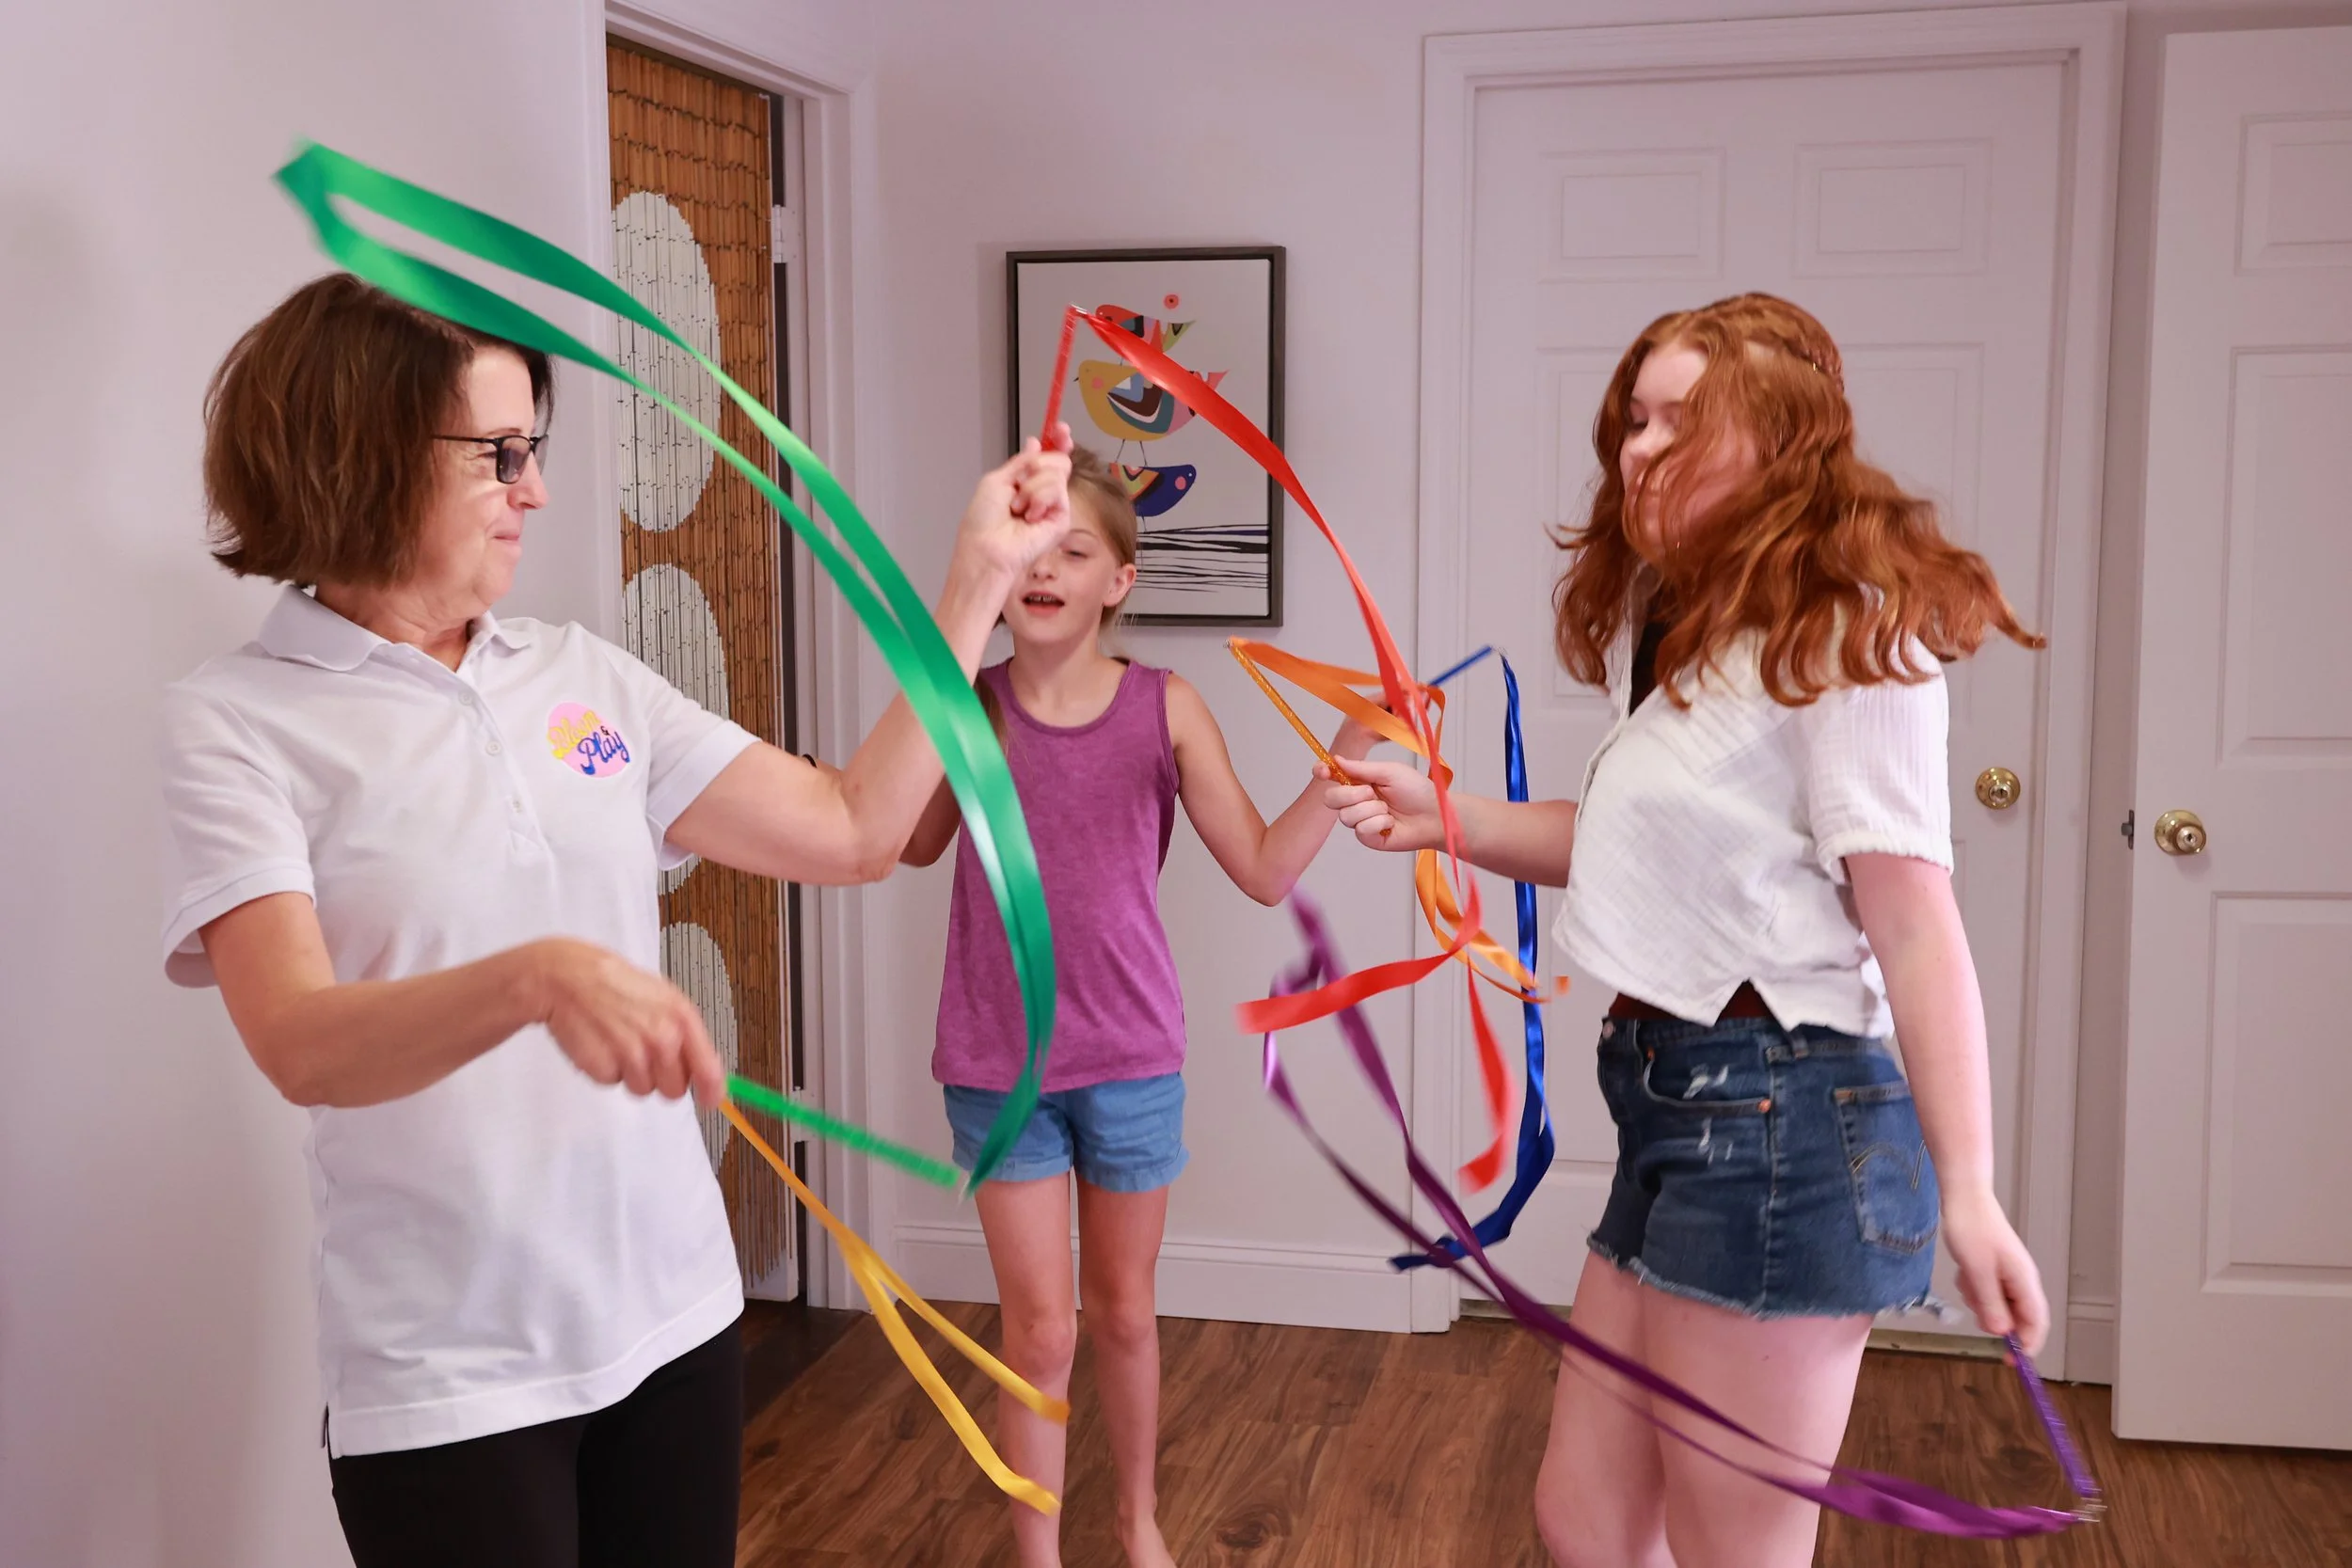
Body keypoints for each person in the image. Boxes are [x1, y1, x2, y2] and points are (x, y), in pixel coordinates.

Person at [158, 273, 1072, 1568]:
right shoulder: (240, 720)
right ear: (356, 454)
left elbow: (859, 827)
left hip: (675, 1319)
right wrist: (533, 978)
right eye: (502, 453)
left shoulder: (585, 674)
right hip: (453, 1374)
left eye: (538, 449)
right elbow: (303, 1039)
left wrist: (977, 580)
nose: (534, 489)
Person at [1325, 293, 2051, 1568]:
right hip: (1676, 1102)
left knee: (1734, 1548)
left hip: (1783, 1115)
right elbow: (1629, 841)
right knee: (1589, 1522)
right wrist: (1443, 817)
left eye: (1679, 420)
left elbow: (1915, 924)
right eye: (1634, 418)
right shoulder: (1679, 627)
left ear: (1782, 443)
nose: (1637, 450)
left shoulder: (1848, 628)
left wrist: (1975, 1193)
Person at [898, 448, 1377, 1568]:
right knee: (1041, 1329)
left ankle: (1138, 1521)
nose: (1049, 570)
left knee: (1122, 1313)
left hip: (1129, 1057)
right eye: (1032, 551)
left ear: (1121, 578)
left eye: (1078, 552)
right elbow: (904, 840)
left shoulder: (1166, 709)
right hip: (994, 1059)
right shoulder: (968, 707)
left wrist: (1343, 757)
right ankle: (1039, 1551)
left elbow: (1262, 865)